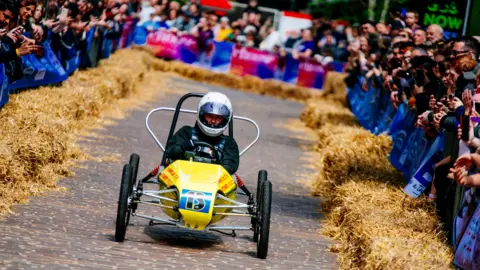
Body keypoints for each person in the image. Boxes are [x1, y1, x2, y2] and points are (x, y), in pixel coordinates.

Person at [165, 92, 240, 175]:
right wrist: (180, 149)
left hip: (213, 182)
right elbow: (172, 151)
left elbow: (230, 166)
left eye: (218, 118)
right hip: (183, 176)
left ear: (225, 119)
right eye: (209, 116)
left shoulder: (229, 143)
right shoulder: (186, 133)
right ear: (201, 114)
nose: (213, 121)